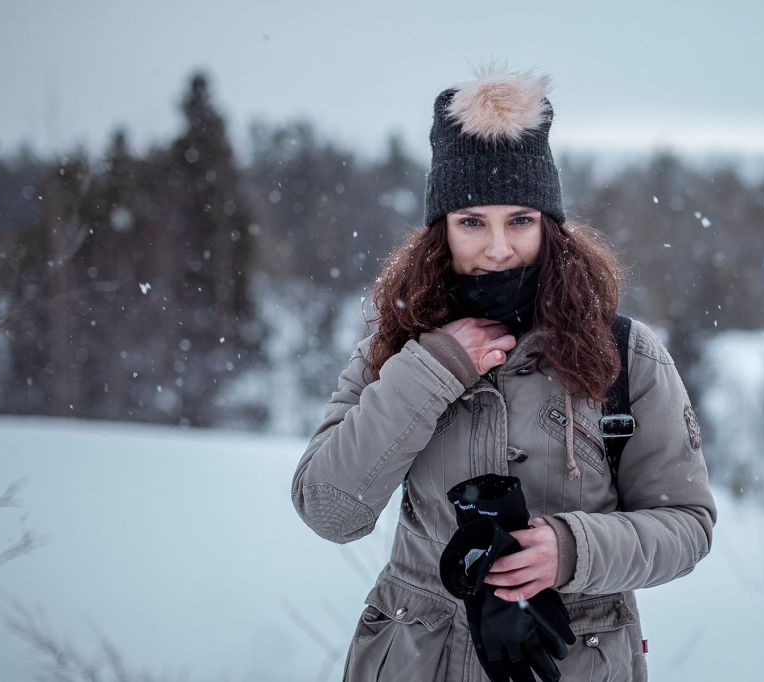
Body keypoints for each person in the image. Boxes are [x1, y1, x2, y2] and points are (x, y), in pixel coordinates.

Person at [291, 66, 717, 682]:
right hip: (418, 661)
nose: (497, 249)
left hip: (574, 659)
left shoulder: (626, 355)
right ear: (441, 232)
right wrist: (431, 371)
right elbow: (330, 511)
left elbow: (687, 526)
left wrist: (572, 550)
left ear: (550, 226)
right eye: (472, 222)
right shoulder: (394, 350)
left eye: (520, 220)